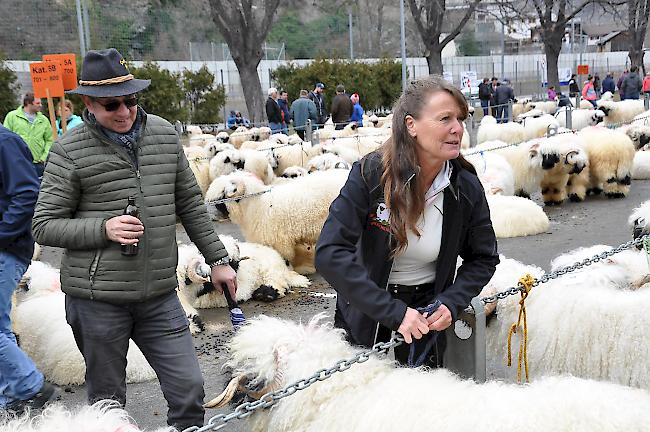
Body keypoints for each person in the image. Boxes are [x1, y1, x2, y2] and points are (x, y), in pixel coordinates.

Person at [31, 48, 237, 430]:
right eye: (112, 105)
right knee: (108, 405)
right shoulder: (68, 150)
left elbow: (190, 202)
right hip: (97, 301)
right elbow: (44, 225)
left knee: (190, 389)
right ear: (89, 104)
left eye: (130, 100)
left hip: (159, 293)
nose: (124, 111)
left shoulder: (162, 133)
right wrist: (102, 228)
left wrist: (219, 260)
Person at [315, 76, 499, 368]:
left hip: (428, 312)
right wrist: (393, 312)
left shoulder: (464, 186)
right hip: (368, 305)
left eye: (461, 119)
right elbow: (329, 253)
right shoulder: (370, 175)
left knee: (418, 404)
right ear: (411, 125)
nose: (458, 128)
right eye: (445, 119)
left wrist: (452, 301)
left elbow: (483, 258)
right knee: (358, 399)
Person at [0, 125, 60, 414]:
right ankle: (12, 395)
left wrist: (1, 235)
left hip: (5, 249)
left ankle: (30, 386)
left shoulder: (5, 143)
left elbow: (26, 194)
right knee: (1, 326)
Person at [3, 93, 53, 178]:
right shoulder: (12, 116)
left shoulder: (44, 120)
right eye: (37, 103)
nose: (40, 105)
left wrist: (44, 157)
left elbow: (50, 140)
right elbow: (5, 138)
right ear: (28, 103)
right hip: (18, 163)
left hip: (38, 164)